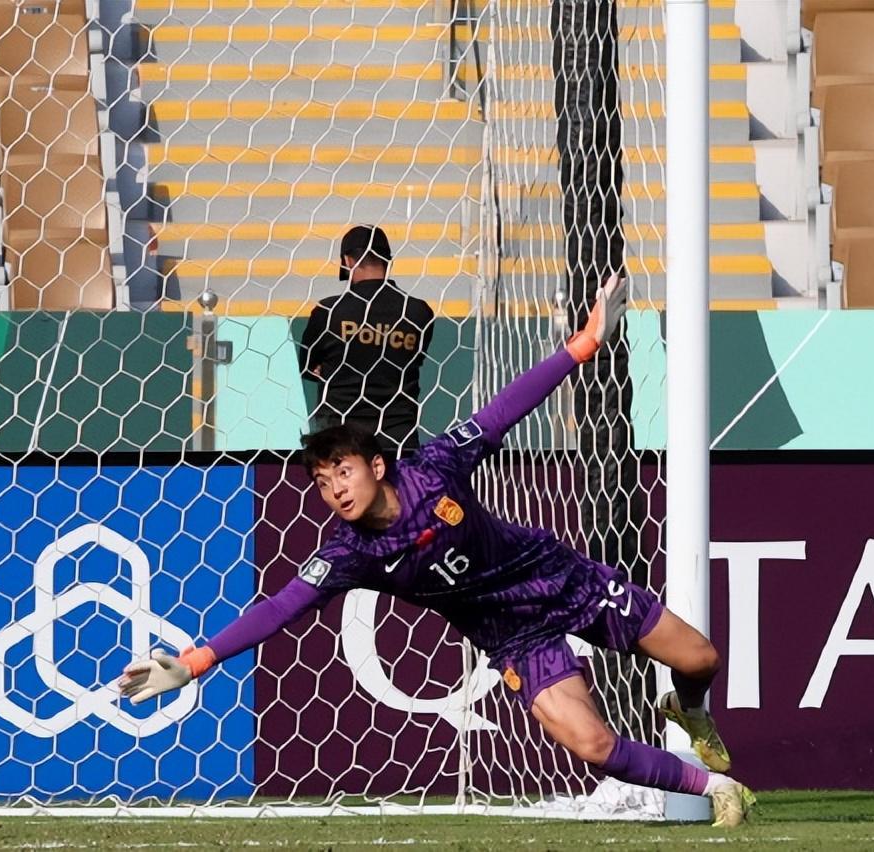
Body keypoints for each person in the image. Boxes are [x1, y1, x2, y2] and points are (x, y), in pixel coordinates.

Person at [119, 275, 756, 827]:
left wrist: (583, 344)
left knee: (700, 657)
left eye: (343, 472)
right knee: (590, 744)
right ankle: (718, 788)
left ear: (376, 466)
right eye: (322, 481)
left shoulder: (435, 468)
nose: (335, 489)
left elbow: (504, 409)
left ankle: (688, 708)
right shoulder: (349, 553)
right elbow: (281, 606)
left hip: (562, 580)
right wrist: (195, 661)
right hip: (514, 637)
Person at [297, 225, 434, 456]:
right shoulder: (419, 312)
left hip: (341, 442)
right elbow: (414, 360)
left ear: (347, 261)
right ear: (388, 261)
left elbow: (308, 367)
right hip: (398, 440)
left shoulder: (329, 311)